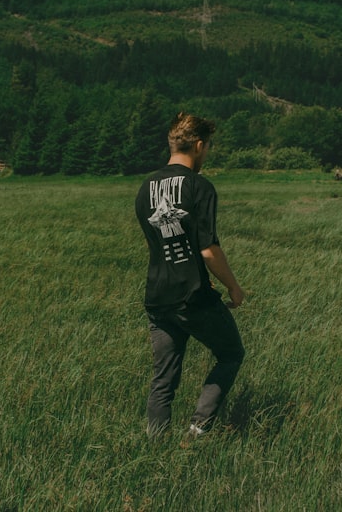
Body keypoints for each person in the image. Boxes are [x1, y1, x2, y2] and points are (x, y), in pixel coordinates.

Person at [135, 112, 246, 438]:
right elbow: (207, 249)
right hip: (192, 296)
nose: (207, 153)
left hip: (157, 296)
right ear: (198, 145)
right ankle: (196, 433)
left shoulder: (145, 188)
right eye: (208, 147)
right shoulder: (199, 187)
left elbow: (164, 243)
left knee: (164, 377)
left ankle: (155, 446)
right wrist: (234, 288)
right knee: (230, 354)